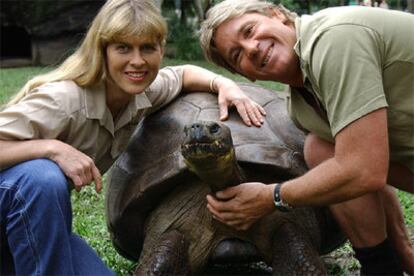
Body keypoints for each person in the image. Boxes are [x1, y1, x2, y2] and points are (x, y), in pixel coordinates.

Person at [0, 0, 266, 274]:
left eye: (147, 48)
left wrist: (224, 84)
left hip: (26, 224)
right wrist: (51, 148)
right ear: (102, 51)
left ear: (161, 50)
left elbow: (183, 73)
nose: (137, 61)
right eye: (123, 48)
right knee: (41, 177)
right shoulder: (63, 100)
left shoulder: (141, 93)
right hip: (12, 203)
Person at [199, 0, 414, 275]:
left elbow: (365, 170)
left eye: (249, 30)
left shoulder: (335, 37)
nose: (252, 48)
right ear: (245, 76)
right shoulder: (300, 108)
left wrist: (270, 196)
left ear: (277, 14)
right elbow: (371, 167)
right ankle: (381, 268)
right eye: (237, 55)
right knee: (319, 148)